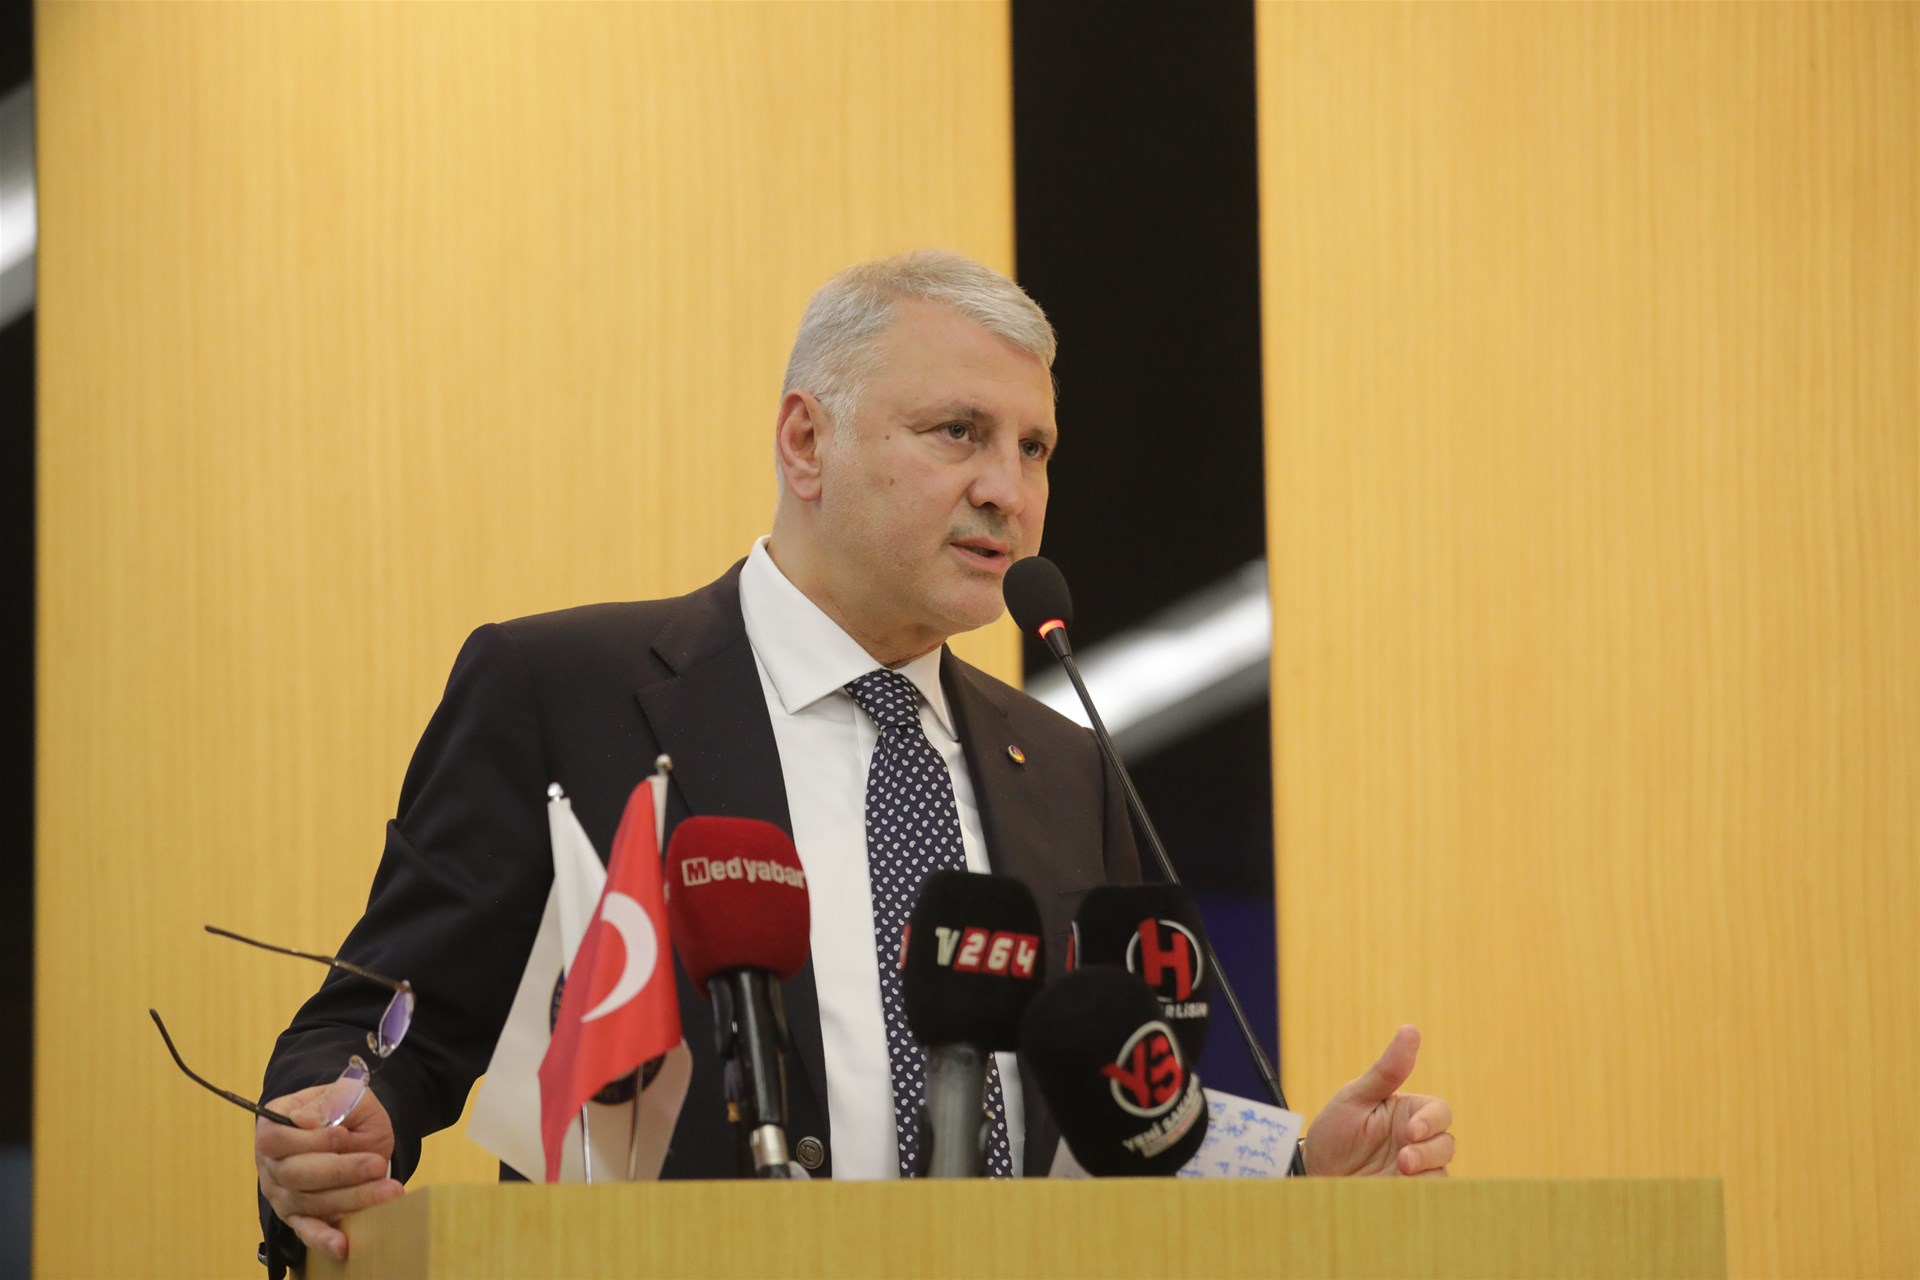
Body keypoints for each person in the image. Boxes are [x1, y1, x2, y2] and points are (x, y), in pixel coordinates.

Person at [252, 251, 1456, 1270]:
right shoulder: (565, 693)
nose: (1008, 489)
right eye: (959, 433)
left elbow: (1125, 1107)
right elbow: (390, 1020)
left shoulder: (1067, 767)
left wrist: (1298, 1169)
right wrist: (336, 1121)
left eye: (1035, 448)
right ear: (806, 440)